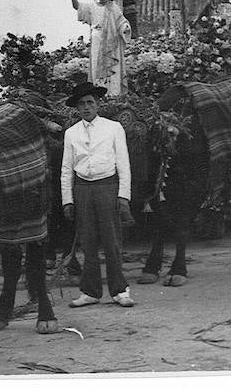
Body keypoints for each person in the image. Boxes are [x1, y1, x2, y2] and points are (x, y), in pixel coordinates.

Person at [61, 82, 135, 308]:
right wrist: (68, 199)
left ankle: (120, 290)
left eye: (90, 102)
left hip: (107, 186)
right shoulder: (71, 133)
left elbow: (123, 163)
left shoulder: (113, 128)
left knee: (112, 240)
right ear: (77, 108)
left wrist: (123, 196)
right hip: (83, 188)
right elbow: (66, 168)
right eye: (82, 104)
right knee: (88, 241)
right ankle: (90, 291)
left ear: (98, 104)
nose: (86, 107)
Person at [68, 0, 131, 97]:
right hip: (97, 39)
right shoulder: (91, 7)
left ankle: (113, 93)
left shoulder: (113, 7)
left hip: (111, 41)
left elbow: (121, 21)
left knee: (112, 66)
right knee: (97, 65)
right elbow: (77, 6)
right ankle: (99, 91)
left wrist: (125, 28)